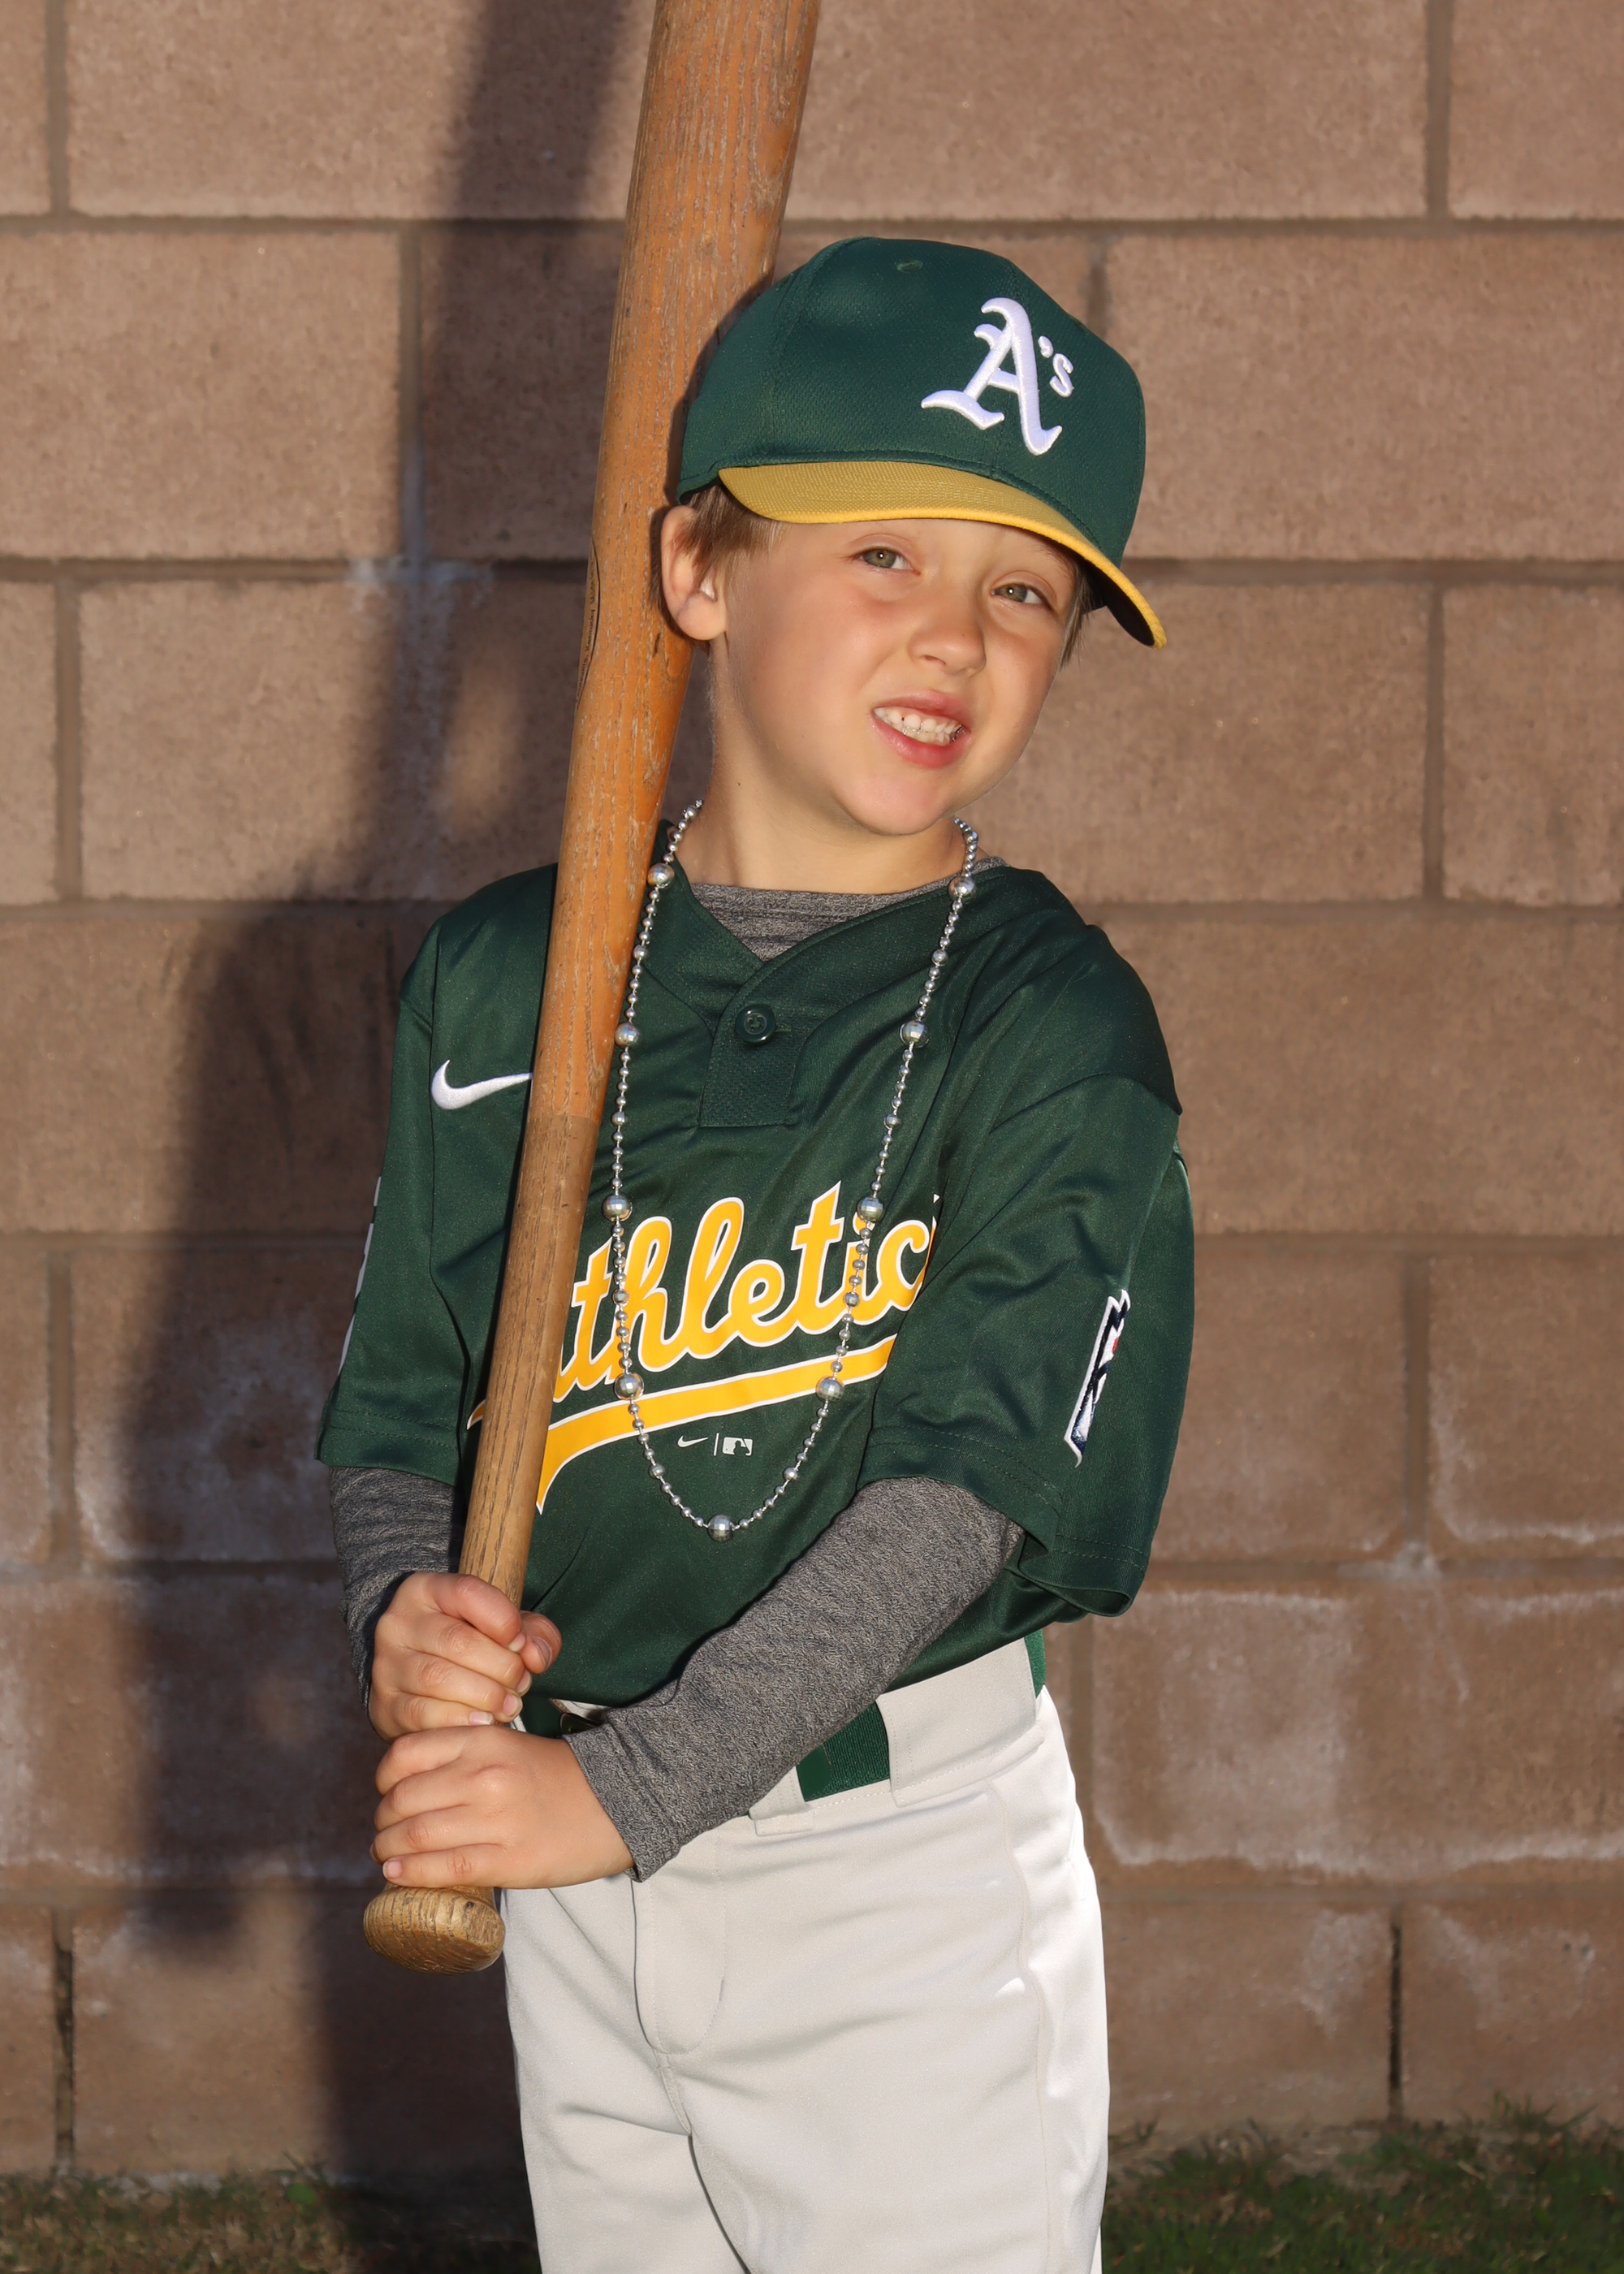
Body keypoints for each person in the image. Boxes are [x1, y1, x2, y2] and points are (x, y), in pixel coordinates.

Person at [319, 236, 1194, 2274]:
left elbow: (956, 1505)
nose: (956, 634)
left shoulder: (1052, 1025)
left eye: (1028, 591)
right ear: (699, 567)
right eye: (883, 551)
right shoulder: (505, 977)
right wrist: (404, 1609)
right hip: (570, 1848)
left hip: (891, 1881)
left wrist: (628, 1793)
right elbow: (398, 1403)